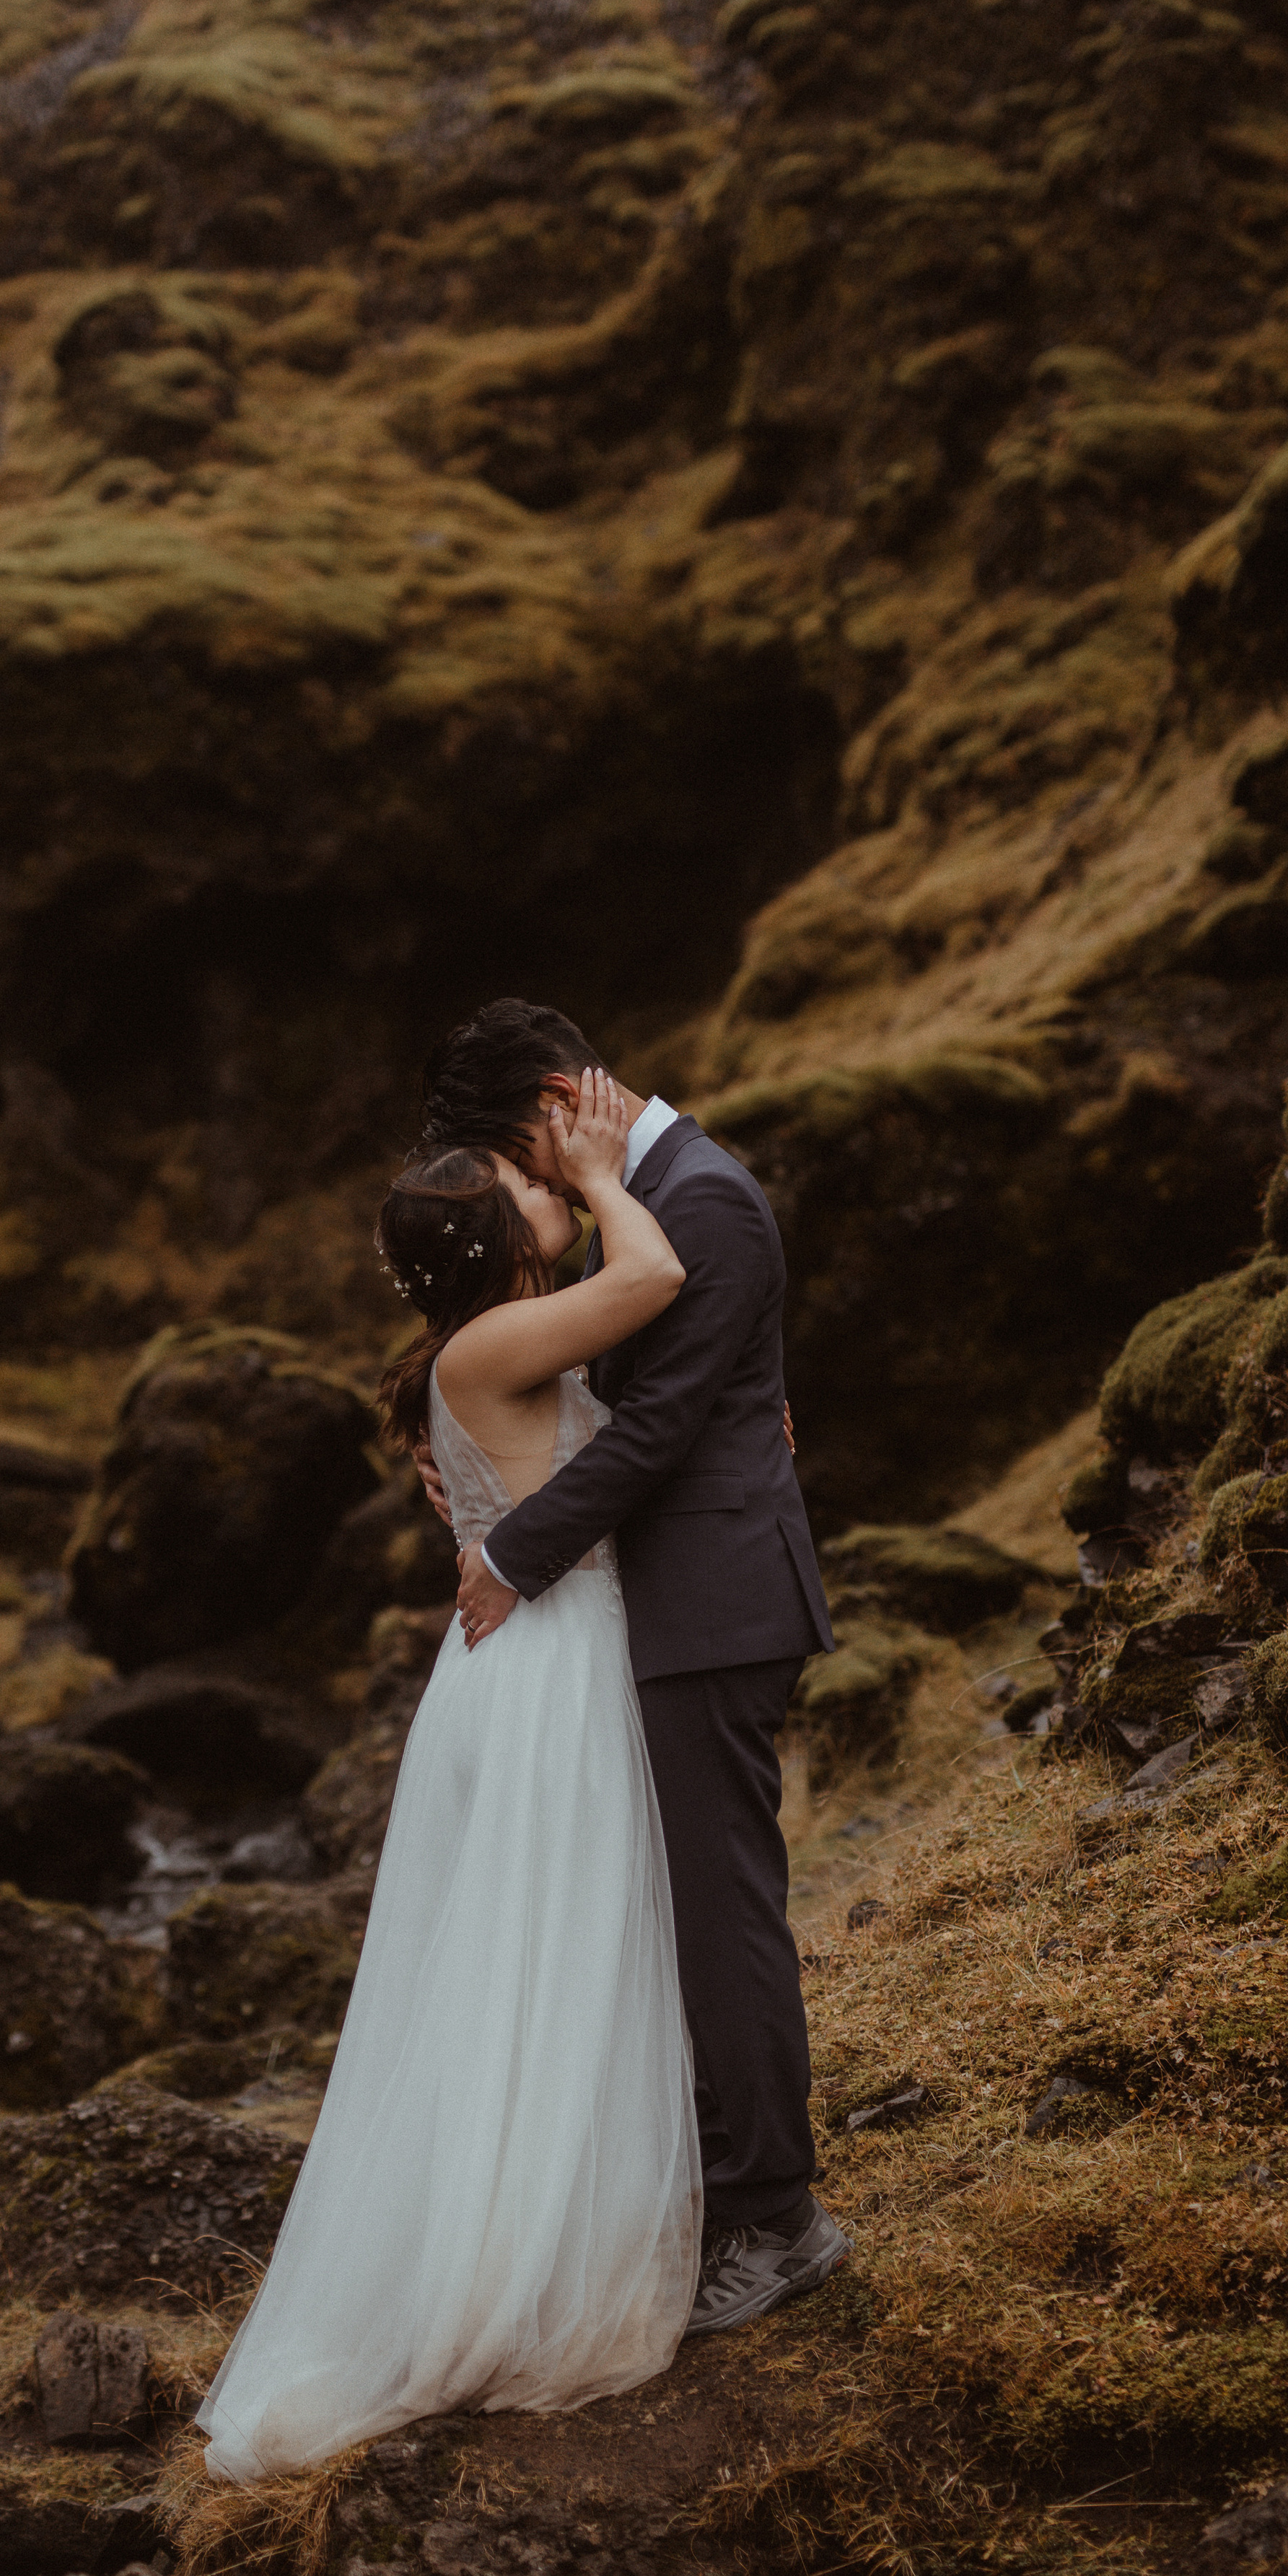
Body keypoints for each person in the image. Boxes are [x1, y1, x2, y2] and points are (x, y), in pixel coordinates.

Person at [197, 1069, 704, 2481]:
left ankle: (541, 2236)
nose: (546, 1188)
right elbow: (654, 1271)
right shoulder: (489, 1347)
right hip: (548, 1669)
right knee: (550, 1964)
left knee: (542, 1965)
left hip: (528, 1654)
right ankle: (515, 2275)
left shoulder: (489, 1346)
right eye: (525, 1192)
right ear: (498, 1245)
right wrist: (608, 1172)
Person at [421, 998, 845, 2339]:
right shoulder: (644, 1200)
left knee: (721, 1918)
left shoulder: (696, 1201)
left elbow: (659, 1425)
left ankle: (780, 2217)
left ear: (559, 1101)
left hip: (711, 1602)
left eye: (514, 1156)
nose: (521, 1190)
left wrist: (514, 1549)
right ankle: (724, 2181)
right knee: (679, 1913)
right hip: (671, 1598)